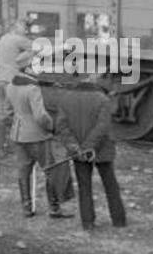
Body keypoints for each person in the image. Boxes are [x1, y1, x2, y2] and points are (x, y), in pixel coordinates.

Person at [51, 75, 127, 231]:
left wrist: (76, 147)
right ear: (93, 79)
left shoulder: (66, 99)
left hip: (78, 152)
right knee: (110, 184)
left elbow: (62, 127)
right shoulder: (103, 99)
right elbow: (103, 126)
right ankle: (119, 220)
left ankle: (88, 222)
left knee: (84, 186)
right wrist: (89, 146)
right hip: (102, 149)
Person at [5, 49, 70, 218]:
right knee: (51, 170)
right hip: (37, 136)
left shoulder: (10, 86)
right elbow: (40, 116)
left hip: (18, 135)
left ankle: (27, 208)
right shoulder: (32, 88)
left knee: (24, 171)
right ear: (27, 68)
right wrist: (51, 127)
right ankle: (54, 208)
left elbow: (8, 112)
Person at [0, 19, 32, 150]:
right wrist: (22, 59)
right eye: (24, 28)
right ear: (16, 27)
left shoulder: (3, 39)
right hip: (11, 80)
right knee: (18, 112)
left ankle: (0, 144)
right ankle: (16, 143)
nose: (26, 31)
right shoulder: (18, 39)